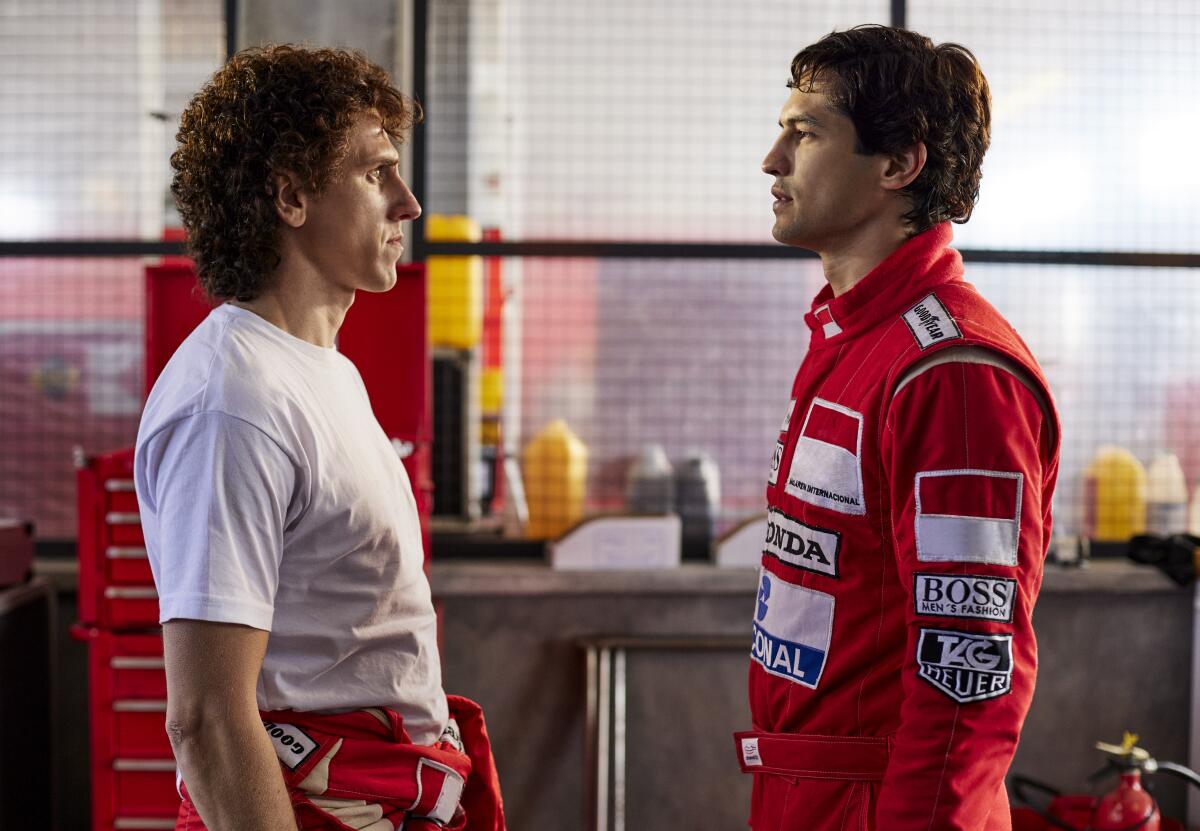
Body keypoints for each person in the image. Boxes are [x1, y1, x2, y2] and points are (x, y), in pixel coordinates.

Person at [134, 45, 505, 831]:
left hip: (384, 794)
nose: (408, 203)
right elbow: (205, 717)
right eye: (377, 174)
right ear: (291, 196)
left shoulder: (321, 369)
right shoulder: (231, 402)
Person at [735, 25, 1060, 830]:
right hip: (809, 790)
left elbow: (968, 671)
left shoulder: (952, 373)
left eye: (804, 133)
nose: (772, 159)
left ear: (898, 164)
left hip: (884, 807)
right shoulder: (854, 341)